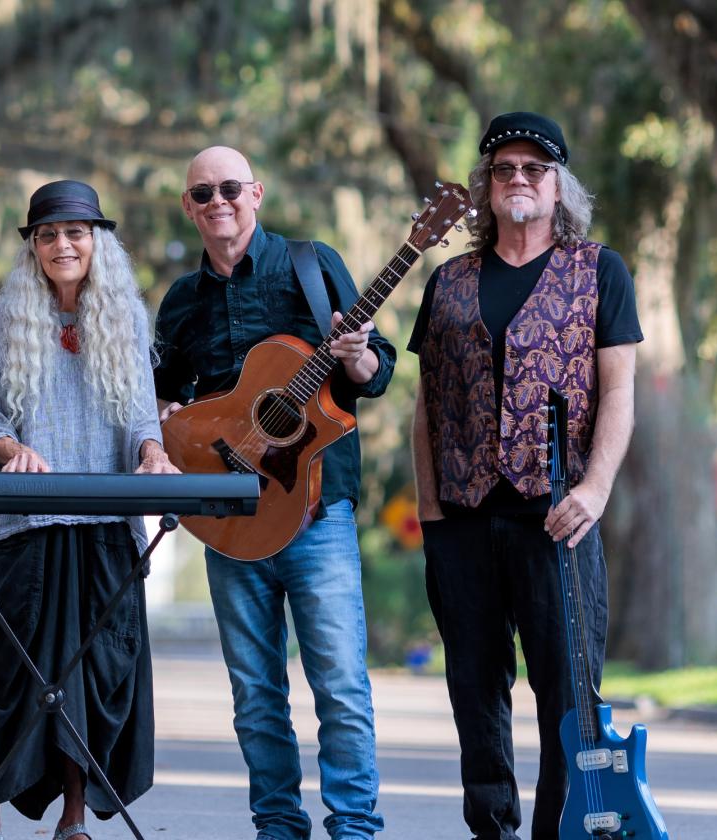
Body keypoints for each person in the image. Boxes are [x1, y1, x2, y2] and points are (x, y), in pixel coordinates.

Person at [409, 111, 641, 840]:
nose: (518, 180)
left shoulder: (600, 270)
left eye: (533, 169)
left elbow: (620, 394)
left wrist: (595, 490)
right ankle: (492, 828)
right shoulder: (448, 280)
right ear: (485, 187)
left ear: (558, 186)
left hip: (558, 518)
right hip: (463, 518)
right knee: (474, 690)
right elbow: (427, 407)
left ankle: (559, 831)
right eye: (503, 169)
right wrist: (431, 514)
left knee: (567, 695)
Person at [154, 147, 391, 840]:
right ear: (189, 206)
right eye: (203, 193)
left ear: (256, 192)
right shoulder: (181, 301)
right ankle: (278, 827)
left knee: (341, 686)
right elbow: (166, 399)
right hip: (229, 514)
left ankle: (353, 827)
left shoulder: (313, 269)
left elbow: (373, 376)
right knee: (257, 695)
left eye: (230, 188)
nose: (218, 201)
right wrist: (175, 435)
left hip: (317, 510)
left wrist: (359, 356)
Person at [0, 181, 177, 840]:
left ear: (98, 243)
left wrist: (151, 452)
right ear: (33, 246)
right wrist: (15, 450)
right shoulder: (1, 323)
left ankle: (76, 818)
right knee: (11, 666)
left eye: (75, 233)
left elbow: (143, 412)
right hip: (26, 524)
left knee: (87, 672)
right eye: (48, 234)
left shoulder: (127, 319)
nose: (62, 245)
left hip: (104, 521)